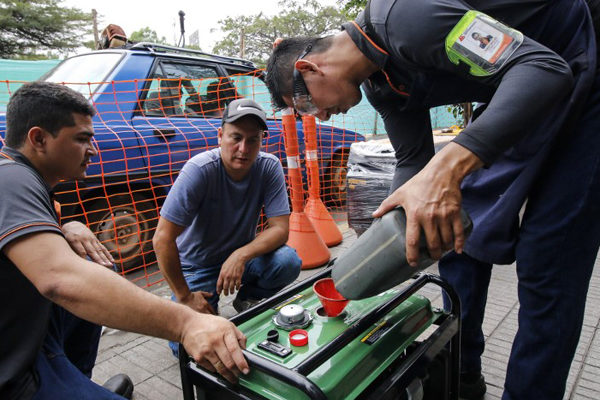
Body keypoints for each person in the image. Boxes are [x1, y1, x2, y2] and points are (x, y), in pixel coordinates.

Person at [265, 1, 600, 399]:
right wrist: (379, 248)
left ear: (310, 68)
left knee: (548, 264)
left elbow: (544, 71)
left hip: (579, 68)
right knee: (454, 240)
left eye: (303, 104)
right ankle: (463, 373)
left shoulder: (408, 17)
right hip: (524, 92)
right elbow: (412, 162)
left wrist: (447, 170)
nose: (317, 117)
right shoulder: (381, 87)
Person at [0, 82, 249, 400]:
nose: (92, 150)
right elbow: (59, 279)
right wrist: (186, 322)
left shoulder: (19, 176)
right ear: (38, 139)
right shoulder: (12, 179)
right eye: (82, 139)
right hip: (16, 370)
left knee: (91, 259)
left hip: (32, 335)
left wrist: (66, 226)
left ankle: (76, 379)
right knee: (83, 272)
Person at [153, 98, 302, 355]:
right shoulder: (199, 170)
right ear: (220, 136)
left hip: (240, 261)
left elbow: (280, 228)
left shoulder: (268, 166)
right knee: (186, 349)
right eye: (236, 137)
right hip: (196, 267)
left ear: (261, 140)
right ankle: (200, 305)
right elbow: (162, 239)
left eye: (252, 139)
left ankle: (247, 298)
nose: (243, 148)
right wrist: (185, 296)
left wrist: (240, 255)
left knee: (288, 261)